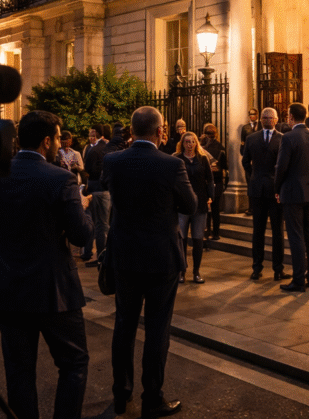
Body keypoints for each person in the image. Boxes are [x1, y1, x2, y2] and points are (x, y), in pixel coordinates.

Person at [0, 111, 93, 419]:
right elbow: (81, 234)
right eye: (57, 138)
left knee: (18, 369)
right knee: (73, 363)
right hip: (53, 288)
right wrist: (82, 208)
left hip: (7, 286)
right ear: (46, 141)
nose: (58, 143)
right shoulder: (61, 179)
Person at [102, 106, 197, 419]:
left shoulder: (113, 160)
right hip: (161, 257)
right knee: (157, 329)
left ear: (131, 131)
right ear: (160, 131)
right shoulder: (171, 164)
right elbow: (190, 204)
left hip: (125, 255)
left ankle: (121, 394)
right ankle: (152, 398)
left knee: (124, 326)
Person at [273, 102, 309, 293]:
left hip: (293, 192)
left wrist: (277, 188)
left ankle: (298, 281)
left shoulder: (288, 138)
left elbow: (281, 167)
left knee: (296, 236)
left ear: (290, 117)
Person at [241, 108, 287, 281]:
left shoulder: (283, 139)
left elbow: (284, 163)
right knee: (257, 231)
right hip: (257, 190)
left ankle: (278, 269)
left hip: (275, 191)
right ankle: (256, 267)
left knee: (278, 232)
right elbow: (245, 161)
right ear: (260, 120)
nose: (267, 119)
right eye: (264, 117)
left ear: (276, 119)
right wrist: (254, 175)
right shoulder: (251, 138)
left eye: (270, 117)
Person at [175, 131, 214, 284]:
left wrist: (211, 196)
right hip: (182, 203)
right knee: (182, 238)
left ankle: (196, 272)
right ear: (182, 144)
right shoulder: (177, 159)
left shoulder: (203, 159)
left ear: (196, 143)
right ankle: (181, 270)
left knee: (198, 239)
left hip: (200, 203)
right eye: (187, 142)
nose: (190, 144)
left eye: (192, 141)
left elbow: (209, 179)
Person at [81, 124, 111, 265]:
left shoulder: (93, 150)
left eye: (93, 134)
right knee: (102, 224)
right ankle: (100, 255)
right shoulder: (107, 147)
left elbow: (89, 169)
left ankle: (93, 254)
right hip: (104, 189)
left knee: (95, 223)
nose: (91, 137)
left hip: (95, 188)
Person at [199, 122, 226, 240]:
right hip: (217, 180)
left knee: (207, 209)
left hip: (205, 181)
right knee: (215, 209)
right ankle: (216, 233)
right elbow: (225, 166)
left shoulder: (200, 148)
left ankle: (207, 231)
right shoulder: (221, 147)